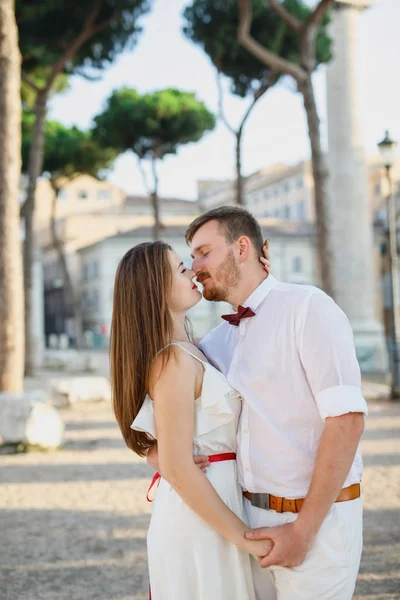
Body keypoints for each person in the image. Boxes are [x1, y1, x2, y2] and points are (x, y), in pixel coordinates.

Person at [185, 206, 368, 600]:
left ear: (243, 247)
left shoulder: (308, 308)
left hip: (318, 522)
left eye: (203, 252)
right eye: (192, 256)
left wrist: (304, 530)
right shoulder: (216, 341)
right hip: (246, 523)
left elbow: (347, 421)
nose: (194, 266)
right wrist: (161, 453)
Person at [110, 240, 273, 600]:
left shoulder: (189, 350)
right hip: (201, 515)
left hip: (218, 501)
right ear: (157, 289)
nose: (194, 273)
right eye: (182, 270)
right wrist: (247, 540)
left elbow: (173, 450)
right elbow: (180, 467)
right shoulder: (174, 361)